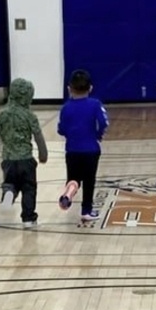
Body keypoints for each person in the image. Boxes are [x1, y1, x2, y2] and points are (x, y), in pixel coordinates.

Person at [0, 78, 48, 227]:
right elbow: (38, 137)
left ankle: (8, 193)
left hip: (8, 160)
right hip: (26, 160)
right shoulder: (30, 116)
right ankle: (28, 219)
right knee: (29, 188)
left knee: (10, 182)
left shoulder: (2, 114)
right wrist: (43, 155)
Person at [57, 69, 109, 226]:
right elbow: (104, 123)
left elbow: (61, 129)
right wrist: (98, 135)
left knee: (74, 179)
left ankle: (69, 192)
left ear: (69, 88)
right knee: (89, 180)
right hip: (91, 150)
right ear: (90, 88)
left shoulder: (65, 108)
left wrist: (70, 135)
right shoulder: (95, 104)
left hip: (72, 150)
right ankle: (86, 210)